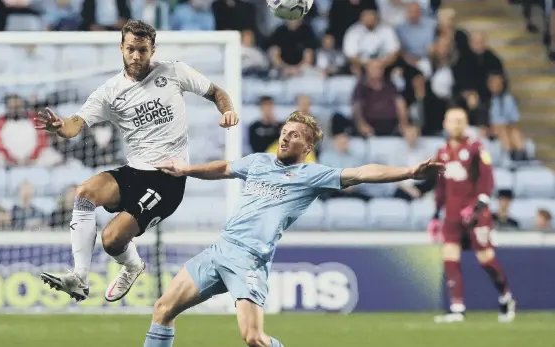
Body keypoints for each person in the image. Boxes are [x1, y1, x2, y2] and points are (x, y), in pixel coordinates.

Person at [146, 111, 442, 347]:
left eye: (295, 135)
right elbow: (223, 168)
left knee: (253, 338)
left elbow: (362, 172)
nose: (286, 138)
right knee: (163, 309)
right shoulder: (259, 161)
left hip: (249, 260)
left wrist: (409, 172)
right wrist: (186, 169)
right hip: (220, 250)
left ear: (308, 146)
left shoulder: (311, 175)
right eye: (285, 132)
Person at [35, 20, 239, 303]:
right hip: (135, 171)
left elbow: (217, 92)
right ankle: (80, 277)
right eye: (130, 49)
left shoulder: (174, 72)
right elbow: (75, 125)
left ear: (152, 49)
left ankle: (132, 266)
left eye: (142, 50)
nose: (136, 56)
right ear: (121, 47)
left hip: (169, 178)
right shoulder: (110, 91)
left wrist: (228, 111)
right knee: (84, 193)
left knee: (111, 240)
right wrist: (59, 125)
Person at [428, 107, 516, 323]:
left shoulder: (477, 148)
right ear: (445, 124)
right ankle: (457, 309)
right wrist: (435, 213)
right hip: (451, 215)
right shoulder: (441, 152)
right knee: (450, 258)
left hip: (476, 215)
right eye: (452, 120)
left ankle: (505, 296)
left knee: (486, 260)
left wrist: (480, 204)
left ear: (466, 124)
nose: (456, 124)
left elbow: (487, 179)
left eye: (460, 120)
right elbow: (440, 186)